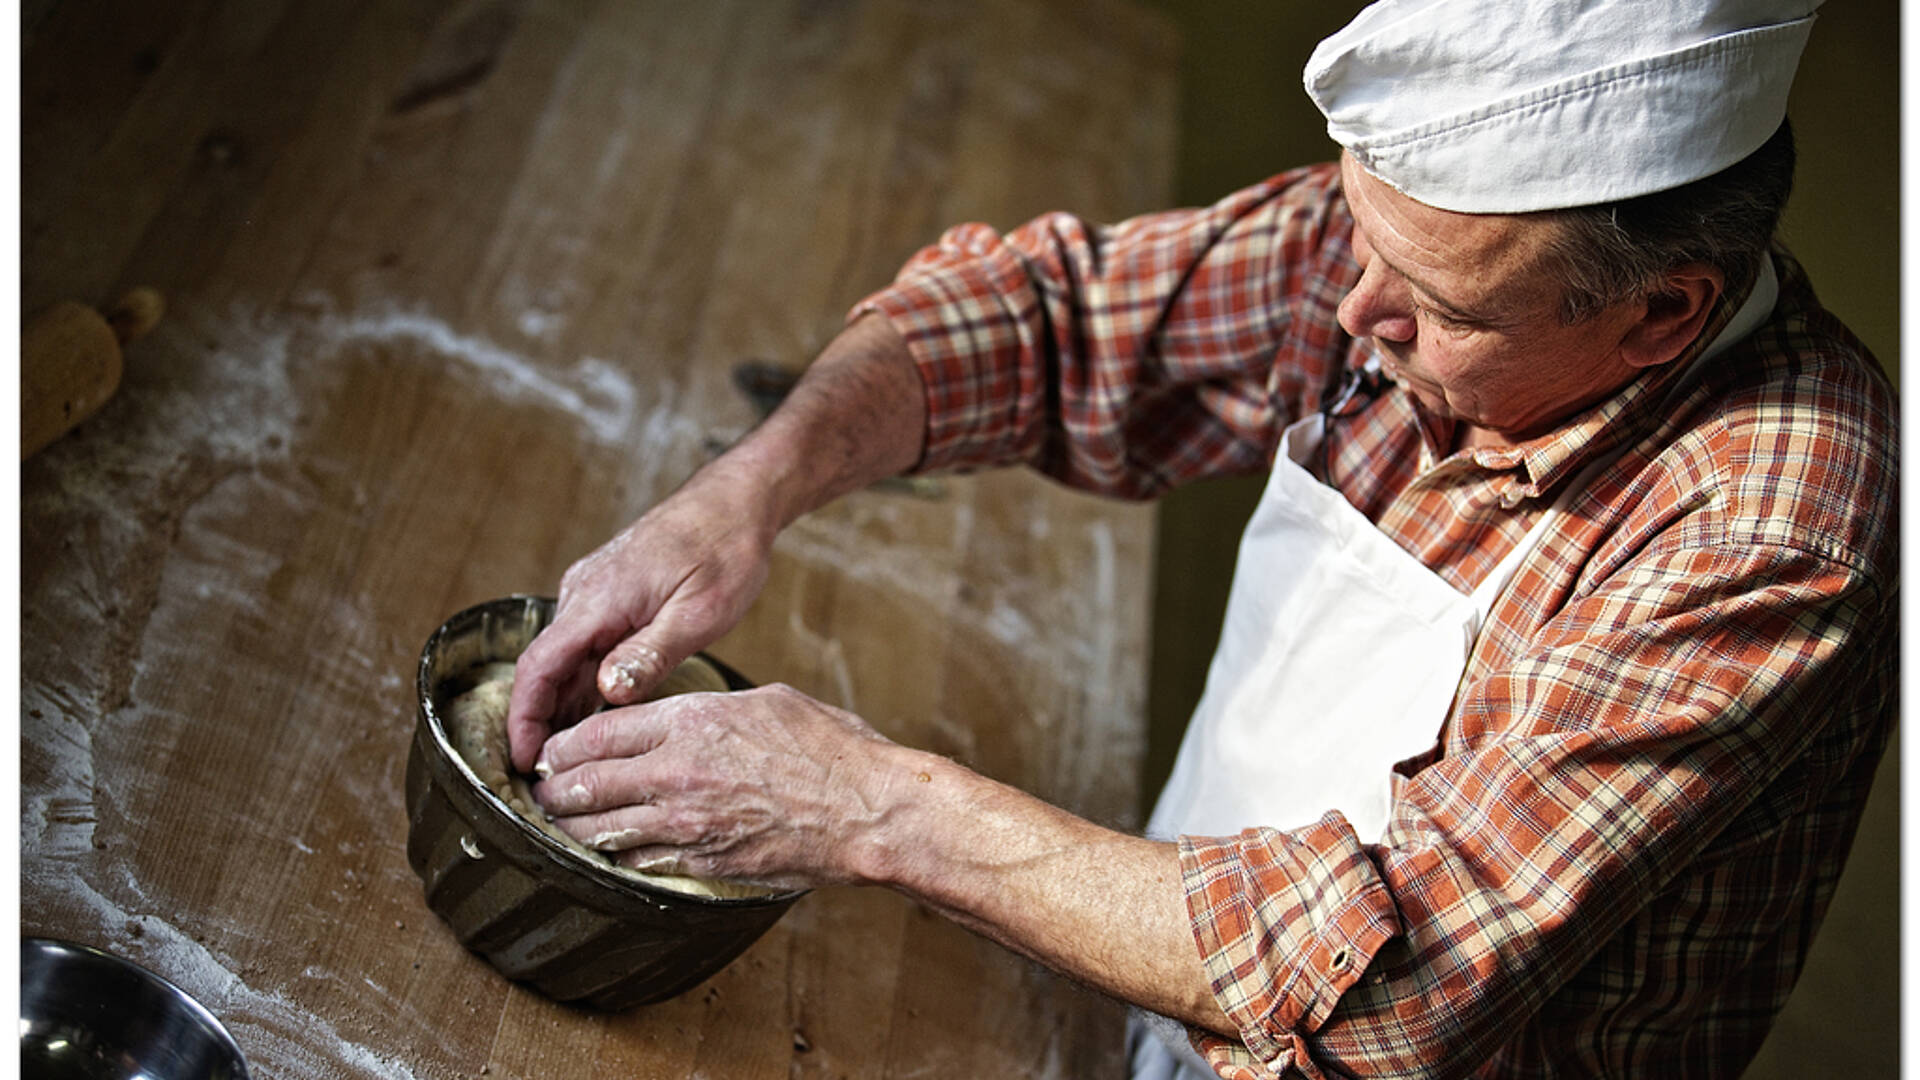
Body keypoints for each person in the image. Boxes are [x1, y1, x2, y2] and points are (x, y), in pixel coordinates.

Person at [504, 0, 1898, 1075]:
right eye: (1359, 239)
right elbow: (1046, 319)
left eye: (1432, 306)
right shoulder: (1407, 253)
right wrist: (747, 486)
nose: (1356, 311)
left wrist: (873, 805)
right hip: (1168, 991)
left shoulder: (1774, 527)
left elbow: (1397, 986)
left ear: (1659, 315)